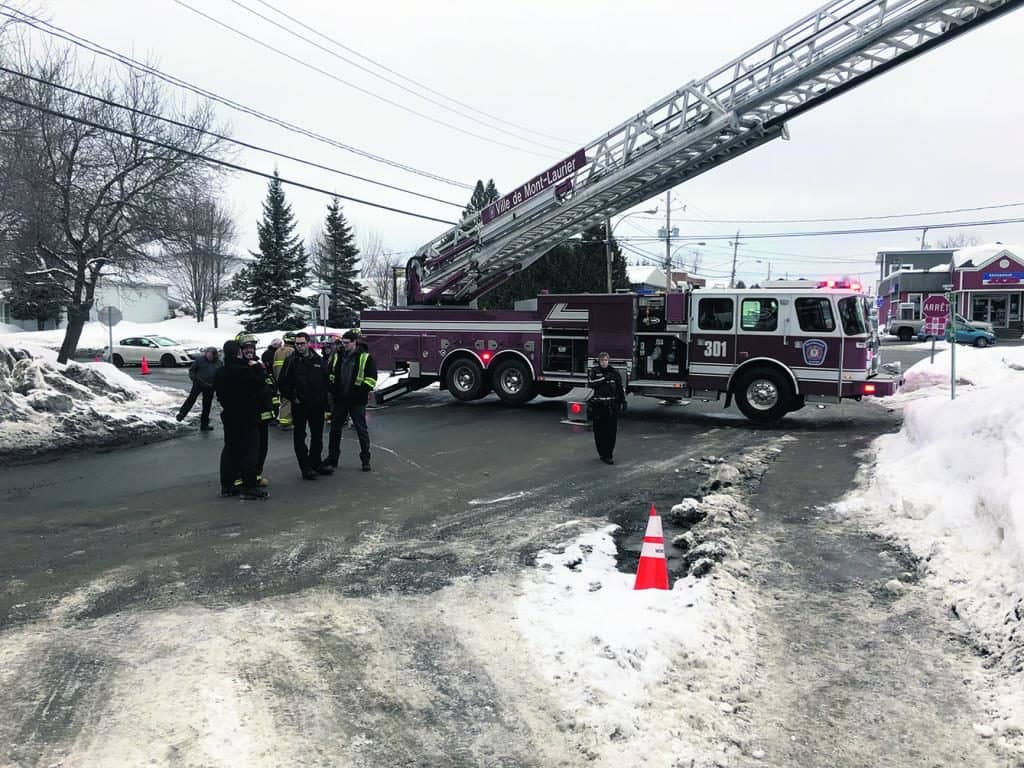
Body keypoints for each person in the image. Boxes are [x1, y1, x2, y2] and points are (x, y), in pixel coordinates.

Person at [213, 339, 267, 500]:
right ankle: (250, 486)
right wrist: (257, 367)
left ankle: (227, 486)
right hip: (248, 415)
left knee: (230, 449)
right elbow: (259, 382)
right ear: (238, 352)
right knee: (250, 450)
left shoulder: (220, 372)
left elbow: (219, 394)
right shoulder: (244, 370)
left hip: (229, 415)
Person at [277, 331, 333, 480]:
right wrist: (293, 397)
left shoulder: (318, 360)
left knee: (317, 436)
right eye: (297, 344)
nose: (299, 346)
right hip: (300, 405)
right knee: (300, 436)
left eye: (302, 343)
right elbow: (282, 383)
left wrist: (326, 404)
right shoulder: (291, 360)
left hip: (317, 405)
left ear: (309, 343)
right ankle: (305, 467)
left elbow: (326, 382)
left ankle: (316, 463)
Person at [325, 329, 377, 471]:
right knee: (335, 430)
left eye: (347, 343)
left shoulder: (365, 357)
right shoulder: (338, 356)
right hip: (340, 399)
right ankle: (332, 458)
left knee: (361, 430)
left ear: (355, 342)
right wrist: (333, 390)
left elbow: (371, 379)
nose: (344, 345)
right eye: (343, 342)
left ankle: (365, 460)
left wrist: (359, 392)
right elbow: (330, 374)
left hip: (356, 401)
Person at [240, 334, 278, 487]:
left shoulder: (258, 363)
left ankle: (257, 474)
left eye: (251, 348)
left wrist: (273, 405)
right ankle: (246, 477)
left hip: (263, 413)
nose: (249, 351)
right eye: (246, 348)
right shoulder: (242, 367)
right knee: (250, 448)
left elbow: (269, 384)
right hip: (250, 414)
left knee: (262, 447)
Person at [588, 352, 626, 465]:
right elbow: (591, 383)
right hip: (599, 405)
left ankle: (608, 455)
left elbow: (620, 388)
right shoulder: (594, 371)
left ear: (609, 360)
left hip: (611, 405)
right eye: (602, 360)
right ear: (599, 361)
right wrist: (605, 378)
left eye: (606, 360)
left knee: (611, 432)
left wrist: (623, 401)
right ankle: (602, 453)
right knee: (599, 431)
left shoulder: (614, 372)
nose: (604, 362)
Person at [177, 346, 222, 429]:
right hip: (198, 383)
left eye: (210, 356)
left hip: (210, 386)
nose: (208, 357)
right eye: (207, 355)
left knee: (207, 405)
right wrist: (194, 378)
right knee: (191, 398)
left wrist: (217, 385)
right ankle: (182, 414)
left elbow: (221, 375)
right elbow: (192, 370)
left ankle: (204, 424)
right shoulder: (200, 360)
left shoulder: (219, 363)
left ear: (214, 355)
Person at [273, 333, 296, 429]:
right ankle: (286, 423)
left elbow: (274, 367)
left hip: (279, 380)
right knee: (288, 401)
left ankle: (284, 420)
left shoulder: (278, 351)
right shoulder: (292, 351)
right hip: (289, 381)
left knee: (283, 401)